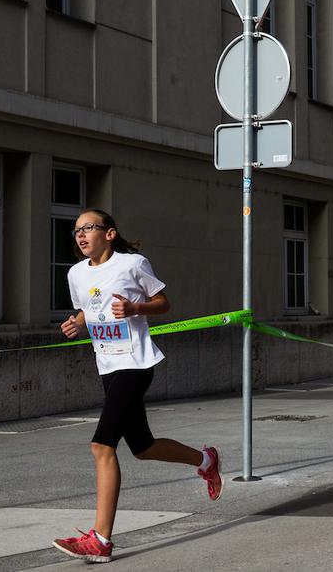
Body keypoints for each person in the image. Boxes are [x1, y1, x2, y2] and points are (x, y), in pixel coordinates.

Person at [52, 210, 223, 563]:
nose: (81, 235)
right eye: (77, 231)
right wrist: (76, 323)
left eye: (89, 228)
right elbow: (87, 307)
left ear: (109, 233)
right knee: (143, 447)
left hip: (136, 363)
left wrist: (135, 308)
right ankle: (206, 459)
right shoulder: (76, 273)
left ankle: (101, 539)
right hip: (108, 366)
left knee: (102, 445)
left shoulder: (133, 264)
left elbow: (163, 303)